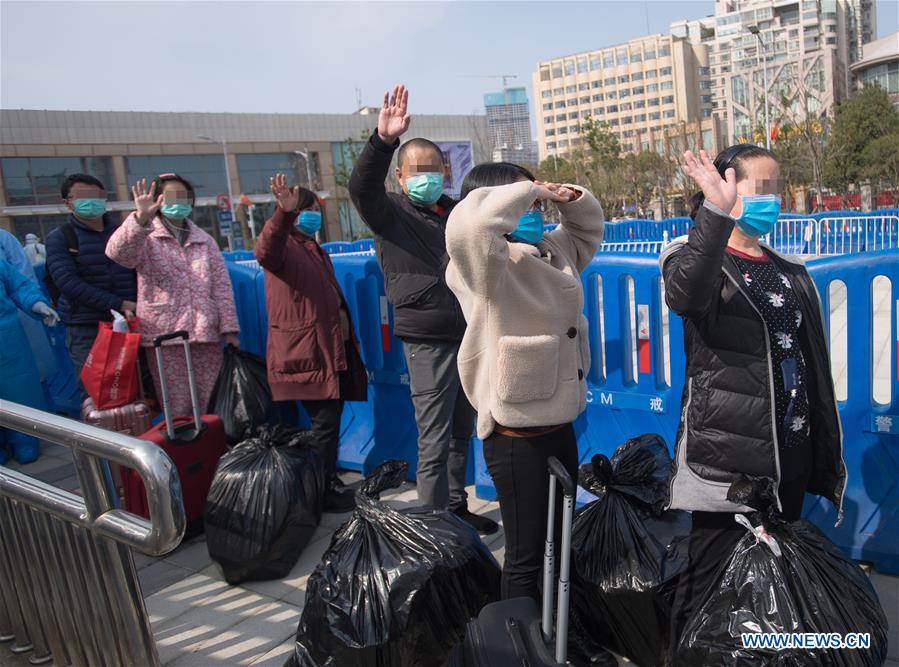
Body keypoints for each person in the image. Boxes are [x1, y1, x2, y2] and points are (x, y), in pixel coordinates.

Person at [659, 147, 846, 655]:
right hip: (729, 460)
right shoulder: (691, 257)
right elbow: (685, 296)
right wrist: (714, 216)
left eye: (776, 188)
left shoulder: (788, 268)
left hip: (789, 453)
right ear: (726, 187)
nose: (773, 199)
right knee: (709, 583)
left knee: (770, 587)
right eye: (761, 187)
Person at [444, 162, 605, 601]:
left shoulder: (552, 249)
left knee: (562, 540)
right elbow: (468, 228)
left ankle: (561, 625)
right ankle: (520, 633)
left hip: (560, 419)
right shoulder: (484, 262)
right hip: (516, 432)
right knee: (526, 554)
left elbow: (588, 230)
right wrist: (525, 190)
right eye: (526, 201)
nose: (534, 209)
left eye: (537, 203)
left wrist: (571, 197)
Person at [348, 84, 496, 534]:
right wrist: (383, 141)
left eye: (433, 169)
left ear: (445, 172)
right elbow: (361, 187)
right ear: (399, 177)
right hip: (427, 340)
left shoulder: (456, 213)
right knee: (434, 438)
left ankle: (455, 508)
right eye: (416, 171)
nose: (426, 177)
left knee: (461, 431)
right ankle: (432, 532)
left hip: (468, 335)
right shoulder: (389, 212)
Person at [255, 175, 369, 512]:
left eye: (316, 210)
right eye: (306, 210)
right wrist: (283, 213)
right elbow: (265, 250)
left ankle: (325, 481)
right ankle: (321, 492)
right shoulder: (284, 247)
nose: (313, 215)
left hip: (329, 349)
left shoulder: (312, 248)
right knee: (323, 425)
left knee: (328, 423)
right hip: (306, 353)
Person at [106, 174, 240, 417]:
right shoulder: (146, 236)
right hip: (164, 334)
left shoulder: (204, 240)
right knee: (178, 405)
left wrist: (229, 328)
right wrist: (140, 218)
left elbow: (221, 286)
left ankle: (215, 439)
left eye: (183, 196)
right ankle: (182, 441)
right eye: (170, 196)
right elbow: (118, 254)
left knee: (213, 401)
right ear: (158, 199)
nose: (178, 202)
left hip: (205, 331)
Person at [45, 174, 138, 384]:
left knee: (137, 384)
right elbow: (68, 283)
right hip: (87, 326)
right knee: (97, 387)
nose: (90, 201)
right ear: (67, 202)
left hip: (131, 322)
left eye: (95, 196)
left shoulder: (123, 233)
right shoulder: (61, 237)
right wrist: (119, 304)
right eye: (81, 196)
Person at [0, 259, 60, 465]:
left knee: (19, 393)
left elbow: (19, 286)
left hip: (8, 341)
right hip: (8, 339)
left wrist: (38, 304)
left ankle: (24, 440)